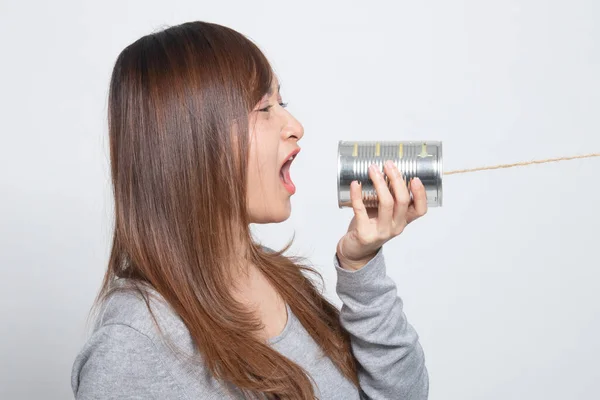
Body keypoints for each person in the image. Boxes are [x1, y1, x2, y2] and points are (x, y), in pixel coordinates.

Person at [71, 21, 429, 400]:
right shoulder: (133, 349)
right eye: (264, 107)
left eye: (282, 103)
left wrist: (361, 266)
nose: (295, 127)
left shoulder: (279, 278)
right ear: (191, 142)